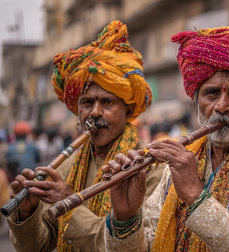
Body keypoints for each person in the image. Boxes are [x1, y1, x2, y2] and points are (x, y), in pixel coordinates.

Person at [103, 9, 229, 251]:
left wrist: (196, 196)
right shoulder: (173, 172)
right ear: (196, 103)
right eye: (211, 93)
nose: (221, 106)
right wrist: (125, 220)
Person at [6, 21, 163, 252]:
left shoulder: (149, 167)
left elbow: (132, 244)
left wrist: (69, 204)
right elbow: (37, 246)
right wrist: (27, 212)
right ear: (77, 110)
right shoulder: (66, 168)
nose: (95, 112)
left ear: (128, 109)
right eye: (87, 103)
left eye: (107, 102)